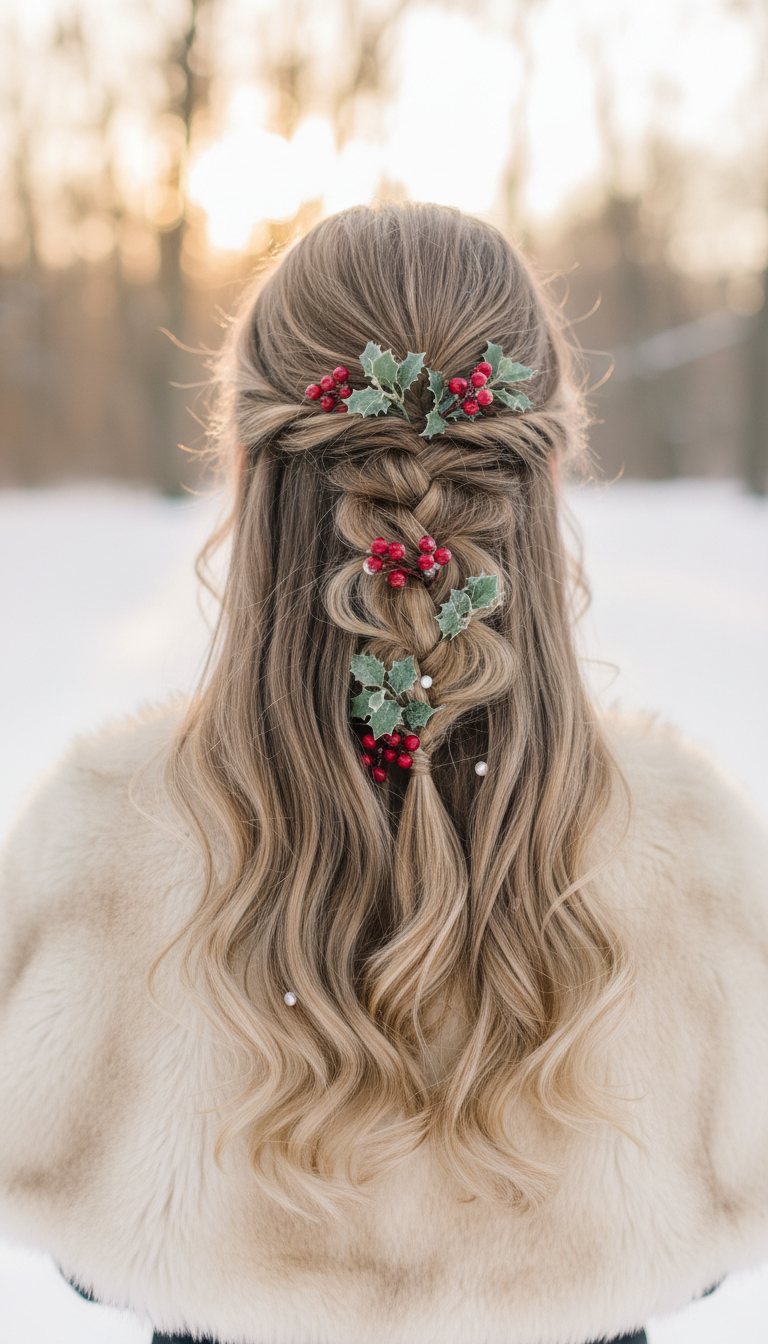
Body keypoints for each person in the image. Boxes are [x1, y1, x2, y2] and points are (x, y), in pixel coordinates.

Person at [0, 202, 766, 1344]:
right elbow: (704, 1248)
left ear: (255, 474)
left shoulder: (100, 845)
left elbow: (90, 1248)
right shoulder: (692, 858)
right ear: (540, 468)